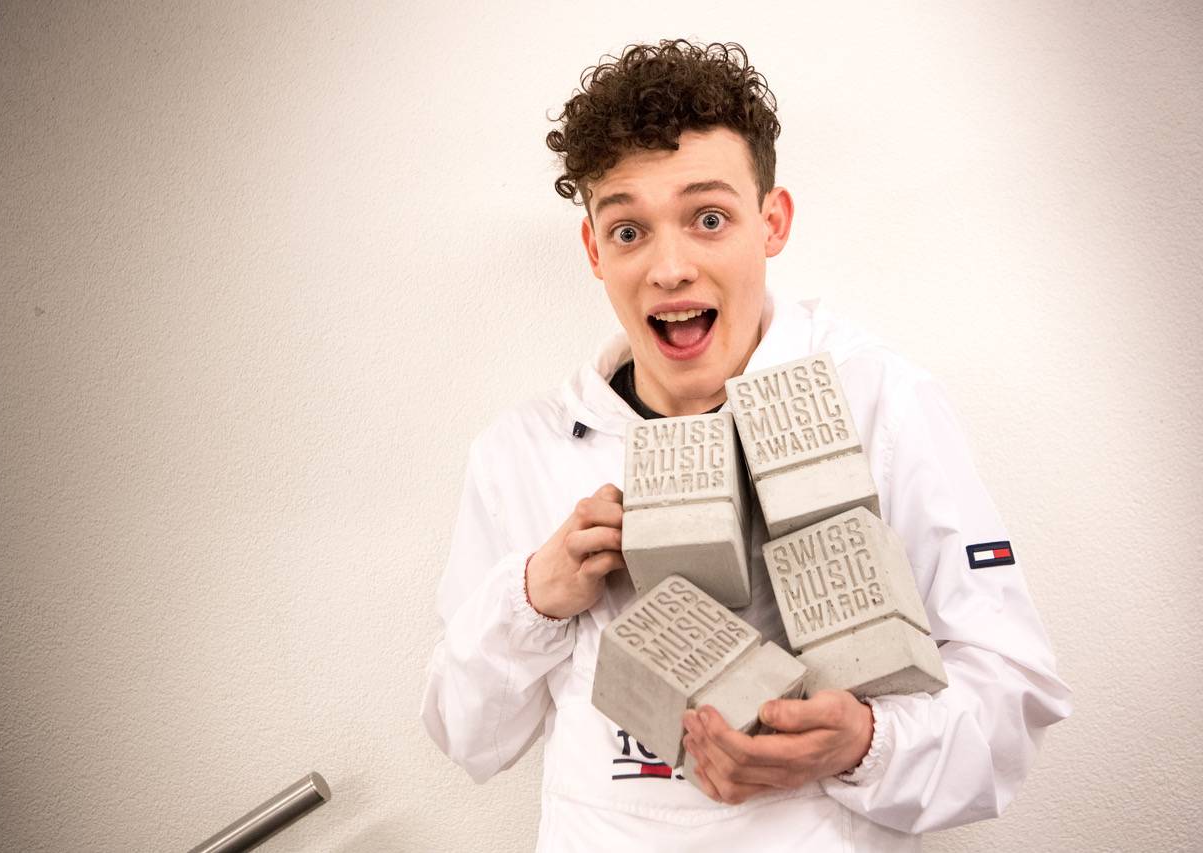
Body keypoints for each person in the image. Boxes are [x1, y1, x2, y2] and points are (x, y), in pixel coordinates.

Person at [421, 39, 1070, 851]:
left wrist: (866, 743)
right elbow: (464, 733)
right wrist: (531, 598)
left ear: (772, 222)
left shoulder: (883, 404)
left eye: (709, 218)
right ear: (594, 250)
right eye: (628, 229)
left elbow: (1013, 697)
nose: (669, 268)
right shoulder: (523, 451)